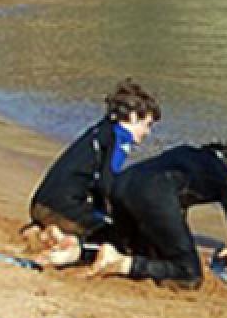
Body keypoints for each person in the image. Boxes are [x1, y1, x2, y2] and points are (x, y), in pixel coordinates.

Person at [26, 80, 159, 267]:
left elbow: (96, 185)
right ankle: (71, 249)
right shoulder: (119, 137)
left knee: (100, 220)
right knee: (120, 239)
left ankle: (47, 232)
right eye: (147, 124)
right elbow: (107, 185)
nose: (148, 132)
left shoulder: (100, 131)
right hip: (62, 208)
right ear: (133, 116)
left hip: (40, 203)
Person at [90, 142, 227, 285]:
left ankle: (112, 253)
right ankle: (122, 263)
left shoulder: (184, 153)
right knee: (189, 274)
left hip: (122, 183)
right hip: (156, 190)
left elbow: (174, 212)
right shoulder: (225, 174)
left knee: (147, 253)